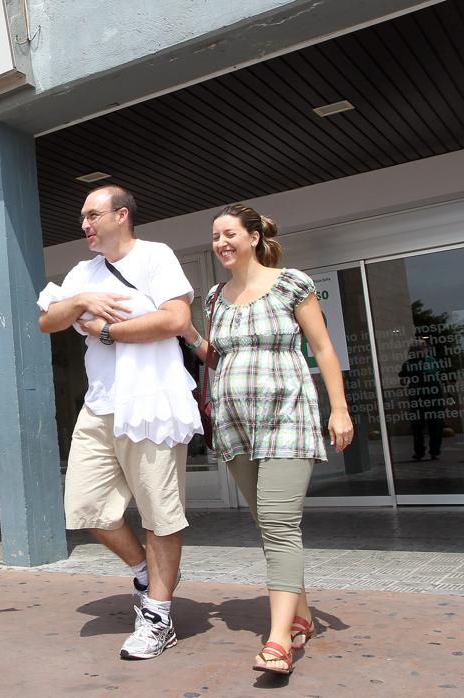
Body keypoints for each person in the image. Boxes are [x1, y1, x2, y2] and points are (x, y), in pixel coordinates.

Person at [183, 203, 353, 675]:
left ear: (254, 237)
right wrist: (190, 333)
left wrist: (339, 409)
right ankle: (301, 614)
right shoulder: (215, 297)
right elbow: (217, 357)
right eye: (215, 236)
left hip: (287, 419)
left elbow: (323, 348)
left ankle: (278, 641)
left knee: (279, 524)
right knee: (269, 525)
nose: (221, 243)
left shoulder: (291, 283)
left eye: (230, 234)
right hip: (236, 425)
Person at [38, 185, 201, 660]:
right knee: (86, 505)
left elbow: (176, 318)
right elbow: (48, 320)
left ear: (121, 215)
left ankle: (158, 617)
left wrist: (107, 330)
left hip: (152, 401)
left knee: (160, 514)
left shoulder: (156, 256)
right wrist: (82, 300)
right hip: (100, 404)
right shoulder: (83, 272)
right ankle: (146, 572)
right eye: (83, 218)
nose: (85, 225)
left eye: (93, 215)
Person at [399, 338, 446, 461]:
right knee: (418, 426)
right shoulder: (408, 364)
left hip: (433, 396)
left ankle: (434, 451)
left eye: (423, 349)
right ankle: (420, 451)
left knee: (435, 425)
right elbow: (403, 380)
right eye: (420, 349)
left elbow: (440, 377)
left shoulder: (431, 361)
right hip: (418, 397)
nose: (422, 351)